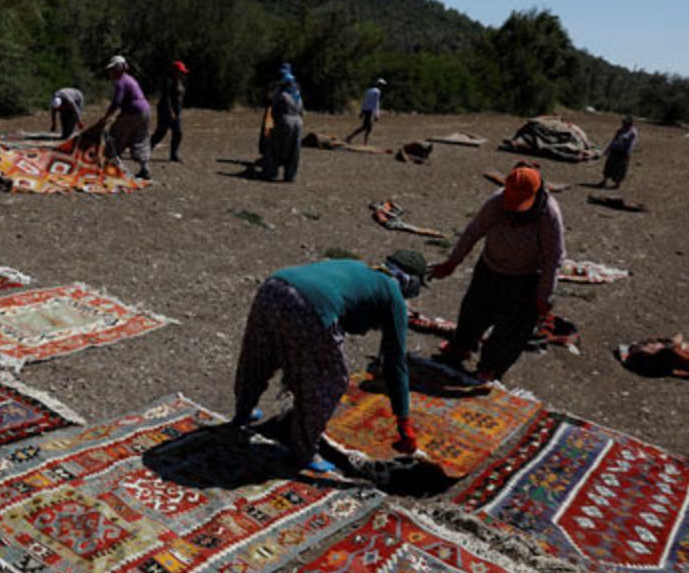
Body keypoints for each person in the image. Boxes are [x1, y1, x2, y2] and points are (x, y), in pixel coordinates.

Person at [231, 250, 428, 473]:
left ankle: (244, 410)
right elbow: (396, 363)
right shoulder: (393, 296)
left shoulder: (358, 268)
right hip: (309, 307)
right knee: (328, 381)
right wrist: (404, 422)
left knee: (260, 353)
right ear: (409, 281)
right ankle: (304, 449)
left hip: (273, 287)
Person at [430, 165, 566, 382]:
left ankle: (490, 367)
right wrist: (452, 262)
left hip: (526, 277)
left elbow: (553, 258)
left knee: (511, 329)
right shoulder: (497, 202)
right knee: (472, 313)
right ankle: (460, 348)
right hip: (490, 267)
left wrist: (544, 296)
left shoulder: (548, 214)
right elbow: (474, 231)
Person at [92, 55, 152, 180]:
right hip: (145, 110)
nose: (111, 72)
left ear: (119, 68)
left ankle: (112, 168)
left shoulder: (121, 82)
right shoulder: (130, 79)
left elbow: (116, 101)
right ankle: (145, 169)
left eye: (112, 69)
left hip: (132, 111)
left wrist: (106, 117)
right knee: (140, 138)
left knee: (115, 137)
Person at [259, 64, 304, 182]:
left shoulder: (281, 89)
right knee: (294, 150)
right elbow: (302, 110)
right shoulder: (296, 91)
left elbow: (272, 106)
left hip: (285, 120)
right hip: (298, 121)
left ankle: (271, 172)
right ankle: (290, 175)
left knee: (275, 146)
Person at [150, 60, 188, 162]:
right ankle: (146, 150)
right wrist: (170, 111)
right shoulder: (168, 81)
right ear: (174, 71)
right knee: (161, 132)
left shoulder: (180, 81)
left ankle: (174, 154)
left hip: (176, 111)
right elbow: (166, 97)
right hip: (166, 110)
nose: (182, 73)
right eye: (180, 72)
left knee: (178, 133)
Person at [598, 115, 638, 188]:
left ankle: (617, 184)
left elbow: (632, 143)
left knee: (621, 168)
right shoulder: (620, 130)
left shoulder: (632, 132)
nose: (624, 124)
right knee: (609, 165)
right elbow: (614, 140)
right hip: (615, 150)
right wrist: (608, 149)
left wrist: (628, 152)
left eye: (625, 122)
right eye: (623, 122)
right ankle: (604, 181)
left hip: (623, 152)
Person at [345, 78, 386, 145]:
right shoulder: (377, 92)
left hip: (365, 110)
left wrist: (362, 111)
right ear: (380, 85)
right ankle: (350, 137)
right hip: (370, 111)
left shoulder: (368, 91)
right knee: (365, 127)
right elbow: (376, 103)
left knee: (368, 127)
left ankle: (364, 142)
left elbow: (364, 101)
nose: (383, 87)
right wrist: (376, 114)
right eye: (382, 85)